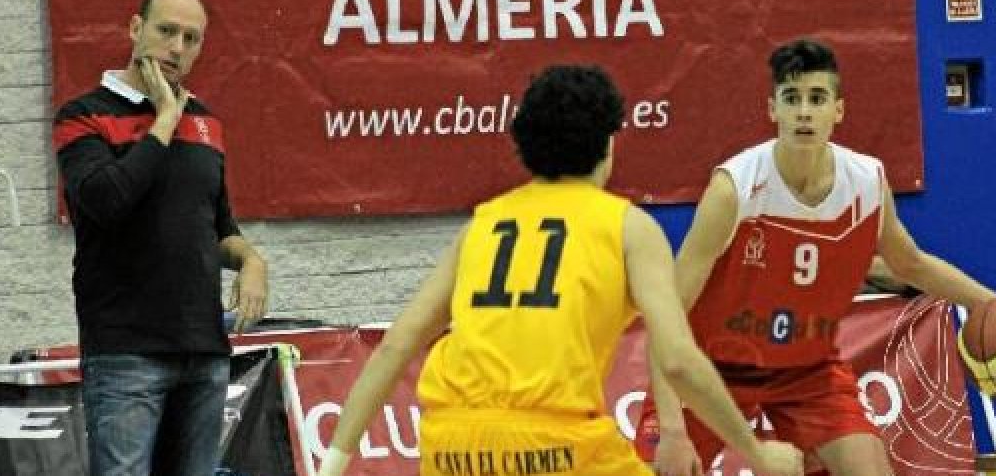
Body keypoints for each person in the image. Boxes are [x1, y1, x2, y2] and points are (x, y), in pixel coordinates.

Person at [319, 65, 805, 476]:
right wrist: (756, 453)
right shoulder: (627, 226)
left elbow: (396, 346)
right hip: (555, 448)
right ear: (609, 144)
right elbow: (677, 357)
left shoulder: (483, 224)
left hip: (451, 447)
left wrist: (332, 464)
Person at [638, 39, 996, 476]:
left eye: (817, 98)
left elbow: (910, 264)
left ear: (838, 110)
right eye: (792, 99)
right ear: (773, 109)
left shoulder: (865, 182)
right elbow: (669, 312)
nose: (804, 112)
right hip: (713, 365)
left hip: (806, 369)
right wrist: (672, 431)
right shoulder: (734, 189)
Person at [53, 0, 269, 476]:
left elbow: (218, 227)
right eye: (166, 31)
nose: (177, 47)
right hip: (127, 352)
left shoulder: (207, 123)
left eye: (191, 38)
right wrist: (165, 118)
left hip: (204, 350)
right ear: (136, 28)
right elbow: (106, 202)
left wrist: (251, 260)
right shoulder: (83, 116)